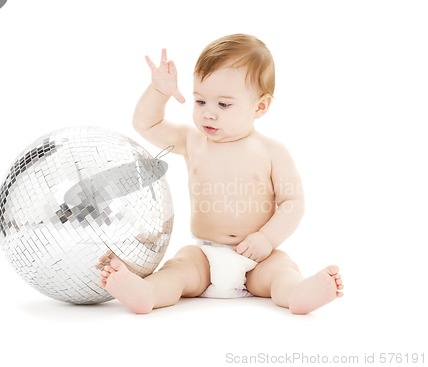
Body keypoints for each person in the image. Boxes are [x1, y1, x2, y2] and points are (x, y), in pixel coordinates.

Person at [99, 34, 344, 314]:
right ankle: (147, 294)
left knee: (281, 270)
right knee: (178, 269)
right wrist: (159, 91)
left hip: (256, 259)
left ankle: (297, 294)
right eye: (200, 101)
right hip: (205, 253)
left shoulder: (271, 151)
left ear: (260, 106)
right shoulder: (192, 141)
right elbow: (147, 123)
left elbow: (292, 203)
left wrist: (266, 239)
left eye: (223, 105)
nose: (208, 114)